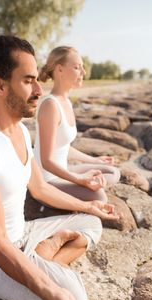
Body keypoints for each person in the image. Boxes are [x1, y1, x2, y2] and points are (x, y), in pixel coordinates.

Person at [0, 35, 118, 300]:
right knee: (74, 298)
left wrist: (88, 206)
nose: (39, 90)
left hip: (23, 235)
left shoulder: (18, 131)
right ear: (0, 85)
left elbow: (39, 188)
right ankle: (43, 260)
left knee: (91, 222)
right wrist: (50, 291)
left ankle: (42, 254)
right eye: (28, 81)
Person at [34, 46, 121, 203]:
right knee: (99, 196)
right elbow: (46, 161)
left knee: (113, 172)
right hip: (48, 180)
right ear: (59, 69)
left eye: (82, 67)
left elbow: (62, 146)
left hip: (63, 170)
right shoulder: (50, 106)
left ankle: (83, 183)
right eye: (77, 67)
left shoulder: (66, 101)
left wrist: (94, 160)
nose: (83, 72)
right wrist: (80, 180)